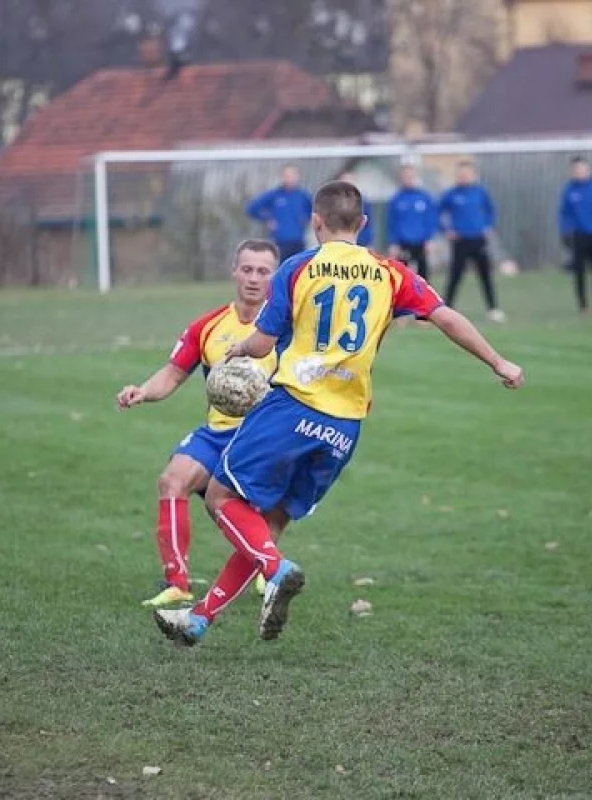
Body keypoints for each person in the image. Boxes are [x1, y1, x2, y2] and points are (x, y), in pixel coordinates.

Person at [153, 181, 525, 647]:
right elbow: (446, 316)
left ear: (315, 221)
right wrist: (498, 361)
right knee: (266, 527)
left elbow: (264, 341)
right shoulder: (391, 272)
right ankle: (201, 618)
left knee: (221, 497)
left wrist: (237, 352)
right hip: (345, 426)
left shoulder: (298, 268)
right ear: (363, 224)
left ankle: (275, 570)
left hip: (293, 407)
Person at [116, 239, 279, 608]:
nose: (254, 278)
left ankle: (264, 568)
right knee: (172, 480)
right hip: (217, 432)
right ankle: (177, 582)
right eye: (247, 269)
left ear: (275, 276)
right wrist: (142, 391)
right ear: (234, 271)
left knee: (258, 507)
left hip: (264, 435)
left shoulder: (287, 328)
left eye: (263, 271)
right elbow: (173, 374)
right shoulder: (208, 326)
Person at [438, 160, 505, 322]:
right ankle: (446, 308)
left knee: (485, 275)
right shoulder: (451, 194)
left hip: (478, 240)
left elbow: (491, 211)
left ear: (473, 175)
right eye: (461, 174)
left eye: (466, 173)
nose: (463, 176)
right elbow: (438, 213)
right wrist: (447, 230)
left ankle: (493, 308)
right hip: (460, 241)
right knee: (455, 276)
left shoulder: (480, 192)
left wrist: (487, 226)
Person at [558, 156, 592, 315]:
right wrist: (566, 232)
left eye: (582, 169)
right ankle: (583, 306)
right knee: (579, 272)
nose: (580, 172)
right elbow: (564, 214)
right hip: (578, 236)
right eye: (577, 170)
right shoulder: (569, 190)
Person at [246, 165, 313, 261]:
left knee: (298, 270)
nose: (290, 179)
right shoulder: (274, 195)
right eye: (287, 176)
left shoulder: (304, 196)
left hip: (298, 241)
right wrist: (267, 219)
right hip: (280, 241)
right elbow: (252, 208)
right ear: (282, 177)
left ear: (298, 177)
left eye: (292, 176)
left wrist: (305, 220)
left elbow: (313, 211)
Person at [387, 163, 438, 281]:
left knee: (423, 279)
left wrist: (430, 239)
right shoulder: (396, 199)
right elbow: (392, 223)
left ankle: (426, 300)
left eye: (410, 176)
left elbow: (431, 219)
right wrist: (393, 242)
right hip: (403, 244)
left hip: (421, 243)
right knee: (401, 279)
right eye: (405, 176)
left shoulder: (424, 197)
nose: (407, 179)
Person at [338, 171, 375, 248]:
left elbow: (369, 223)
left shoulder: (364, 202)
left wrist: (368, 242)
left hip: (361, 244)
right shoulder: (335, 203)